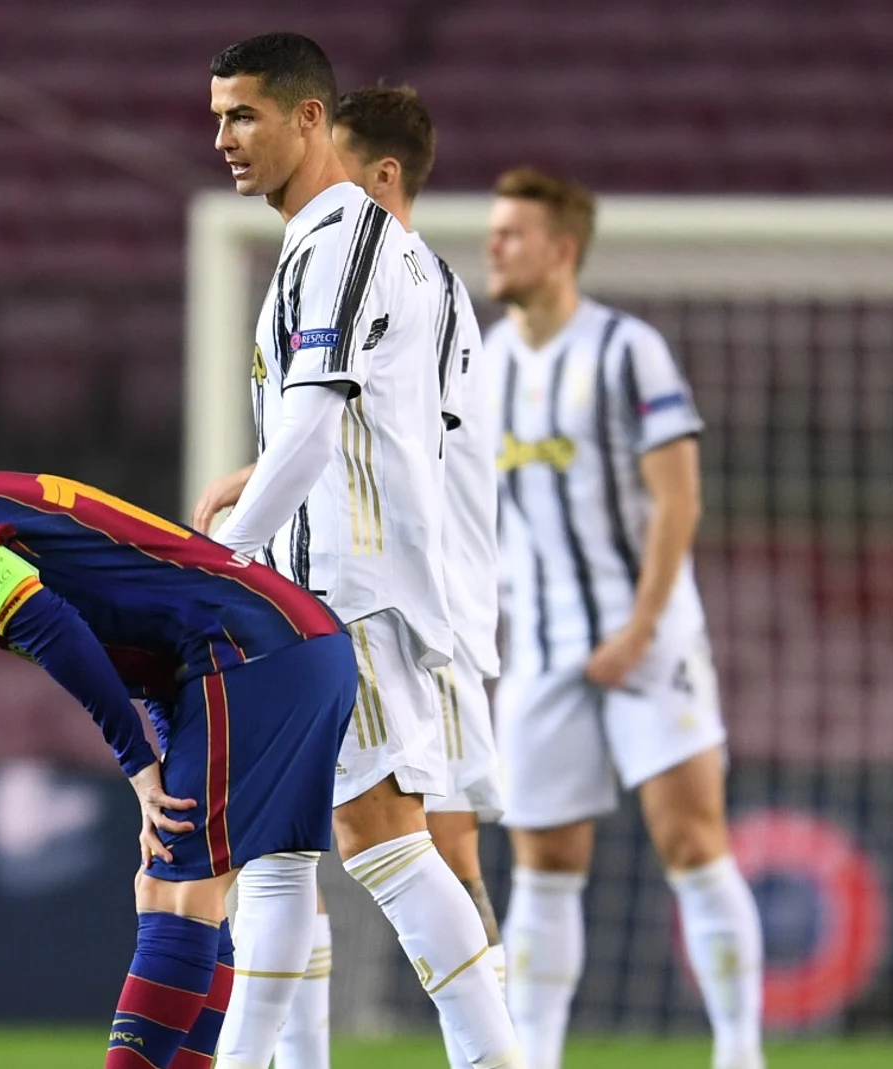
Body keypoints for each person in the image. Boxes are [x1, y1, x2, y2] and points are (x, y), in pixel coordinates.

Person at [0, 396, 357, 1069]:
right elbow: (141, 632)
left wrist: (137, 765)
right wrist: (160, 748)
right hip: (273, 647)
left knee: (178, 887)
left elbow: (54, 628)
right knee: (185, 888)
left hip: (248, 653)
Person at [193, 34, 522, 1069]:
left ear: (308, 121)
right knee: (279, 853)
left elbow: (312, 427)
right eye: (216, 118)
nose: (223, 140)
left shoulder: (345, 241)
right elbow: (368, 426)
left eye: (243, 116)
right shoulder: (373, 254)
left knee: (383, 838)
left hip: (346, 589)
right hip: (330, 585)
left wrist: (219, 561)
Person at [483, 168, 765, 1069]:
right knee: (545, 861)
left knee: (691, 839)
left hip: (647, 637)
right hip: (542, 644)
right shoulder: (487, 361)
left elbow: (678, 500)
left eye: (513, 234)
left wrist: (641, 627)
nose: (494, 246)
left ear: (562, 250)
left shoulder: (626, 349)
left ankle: (738, 1051)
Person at [324, 82, 504, 1069]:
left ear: (382, 175)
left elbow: (390, 447)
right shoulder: (421, 279)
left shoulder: (397, 278)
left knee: (373, 843)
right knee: (440, 848)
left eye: (334, 161)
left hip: (414, 606)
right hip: (441, 604)